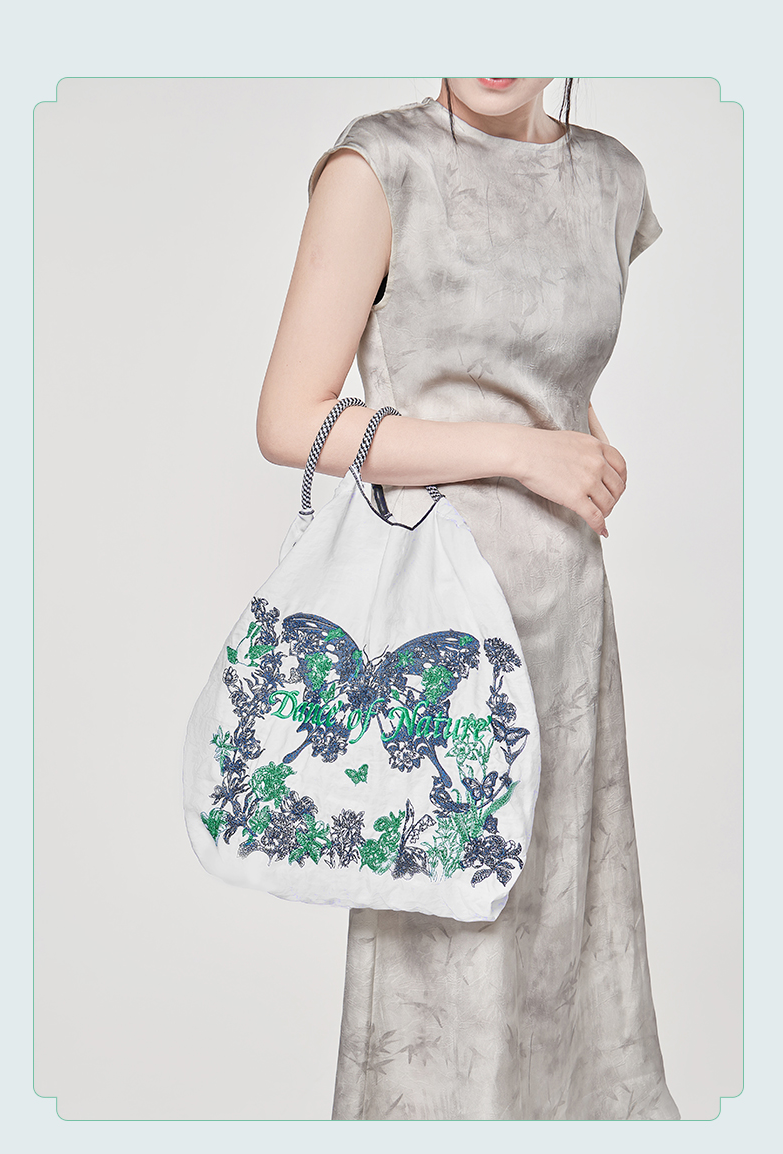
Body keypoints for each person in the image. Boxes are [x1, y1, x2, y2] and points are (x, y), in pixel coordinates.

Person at [256, 77, 680, 1122]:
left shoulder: (611, 179)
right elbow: (290, 418)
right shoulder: (380, 166)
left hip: (568, 622)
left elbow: (538, 366)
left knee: (568, 961)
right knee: (445, 977)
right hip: (436, 624)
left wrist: (579, 442)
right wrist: (521, 452)